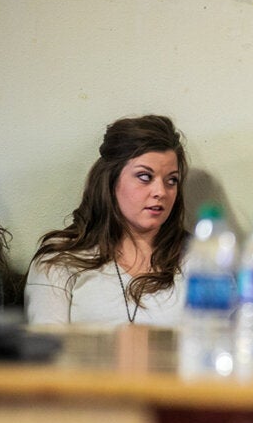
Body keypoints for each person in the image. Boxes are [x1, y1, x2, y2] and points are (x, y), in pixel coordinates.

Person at [24, 115, 191, 325]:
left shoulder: (199, 260)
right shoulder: (60, 259)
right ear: (111, 181)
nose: (161, 192)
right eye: (145, 177)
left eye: (171, 180)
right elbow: (46, 349)